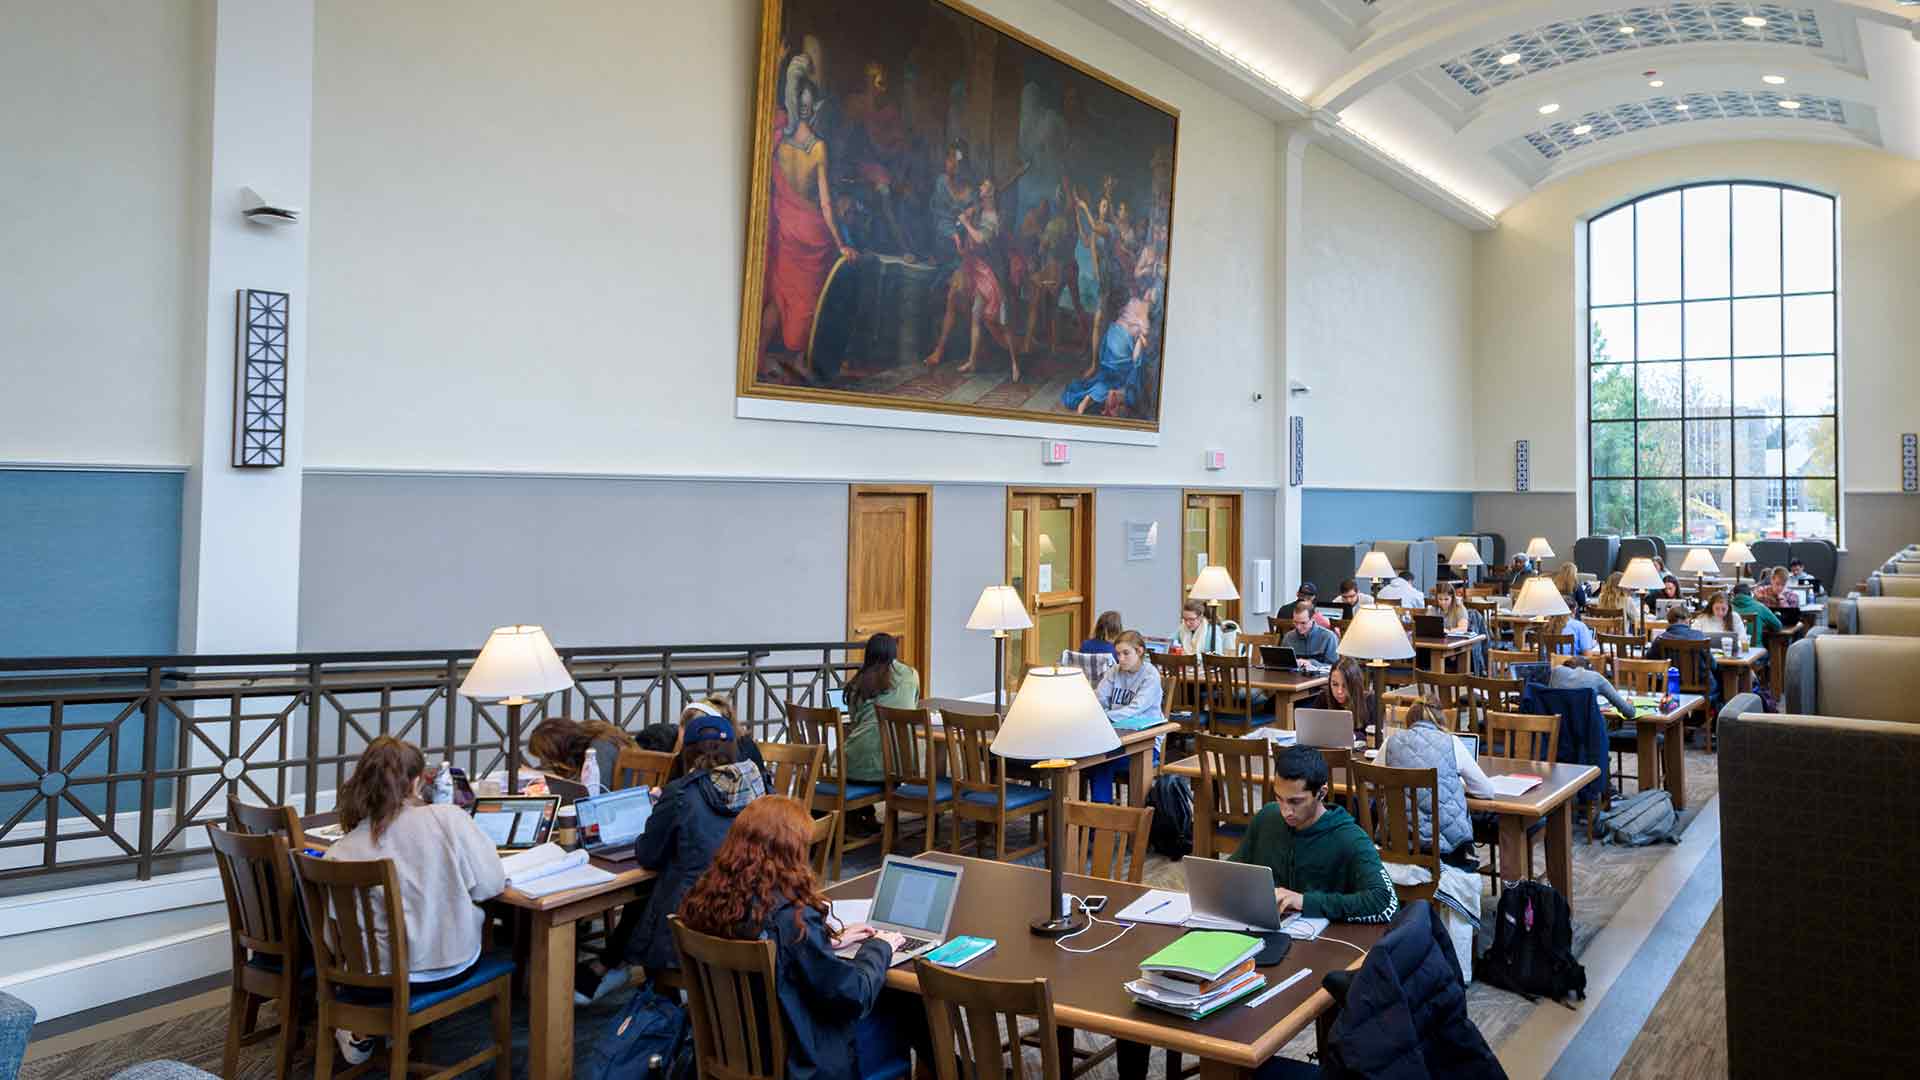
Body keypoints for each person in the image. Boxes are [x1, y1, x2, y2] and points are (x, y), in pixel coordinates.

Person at [678, 797, 913, 1080]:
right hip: (799, 1060)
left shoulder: (709, 900)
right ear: (789, 852)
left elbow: (783, 955)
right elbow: (852, 995)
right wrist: (879, 947)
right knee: (905, 1005)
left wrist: (829, 941)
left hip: (733, 1047)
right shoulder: (792, 919)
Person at [324, 737, 506, 1064]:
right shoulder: (448, 819)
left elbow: (332, 935)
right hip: (450, 966)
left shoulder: (340, 851)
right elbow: (490, 887)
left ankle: (362, 1028)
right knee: (496, 948)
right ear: (417, 781)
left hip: (372, 981)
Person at [627, 708, 767, 975]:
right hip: (751, 915)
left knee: (650, 896)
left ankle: (616, 970)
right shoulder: (759, 788)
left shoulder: (680, 793)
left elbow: (649, 855)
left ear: (686, 752)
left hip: (690, 922)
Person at [1229, 745, 1398, 923]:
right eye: (1279, 798)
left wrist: (1304, 901)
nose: (1286, 811)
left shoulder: (1350, 838)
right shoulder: (1266, 818)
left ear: (1321, 793)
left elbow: (1387, 904)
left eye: (1296, 801)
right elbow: (1232, 873)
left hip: (1325, 941)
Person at [1380, 697, 1493, 862]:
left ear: (1410, 719)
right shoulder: (1452, 742)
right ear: (1440, 720)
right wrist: (1455, 784)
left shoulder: (1391, 743)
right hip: (1445, 847)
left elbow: (1371, 781)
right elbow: (1486, 791)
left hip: (1398, 844)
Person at [840, 634, 919, 832]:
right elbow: (912, 707)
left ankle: (858, 818)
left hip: (850, 767)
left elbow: (855, 719)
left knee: (854, 757)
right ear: (894, 653)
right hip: (896, 767)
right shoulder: (910, 675)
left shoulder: (858, 683)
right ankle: (863, 817)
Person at [1085, 630, 1164, 803]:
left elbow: (1135, 708)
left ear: (1140, 651)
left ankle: (1100, 824)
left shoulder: (1150, 675)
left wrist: (1104, 717)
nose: (1121, 659)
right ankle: (1096, 819)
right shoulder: (1115, 670)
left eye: (1126, 653)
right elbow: (1099, 697)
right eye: (1118, 654)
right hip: (1115, 738)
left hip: (1146, 745)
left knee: (1100, 763)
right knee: (1091, 761)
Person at [528, 716, 636, 794]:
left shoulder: (598, 748)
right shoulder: (588, 732)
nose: (554, 765)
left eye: (553, 760)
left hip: (622, 805)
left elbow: (595, 791)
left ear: (560, 750)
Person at [1548, 655, 1637, 718]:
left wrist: (1594, 707)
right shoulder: (1595, 678)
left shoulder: (1556, 672)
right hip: (1589, 736)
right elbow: (1629, 712)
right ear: (1587, 670)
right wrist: (1630, 703)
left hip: (1558, 734)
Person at [1326, 656, 1377, 744]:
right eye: (1335, 684)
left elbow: (1372, 737)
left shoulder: (1369, 701)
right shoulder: (1324, 697)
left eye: (1345, 685)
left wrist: (1352, 736)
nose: (1339, 691)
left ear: (1354, 684)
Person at [1281, 600, 1339, 666]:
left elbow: (1334, 667)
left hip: (1320, 676)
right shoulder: (1288, 637)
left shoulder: (1329, 637)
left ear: (1313, 618)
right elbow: (1284, 663)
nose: (1298, 627)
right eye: (1295, 622)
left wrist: (1311, 663)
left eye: (1303, 623)